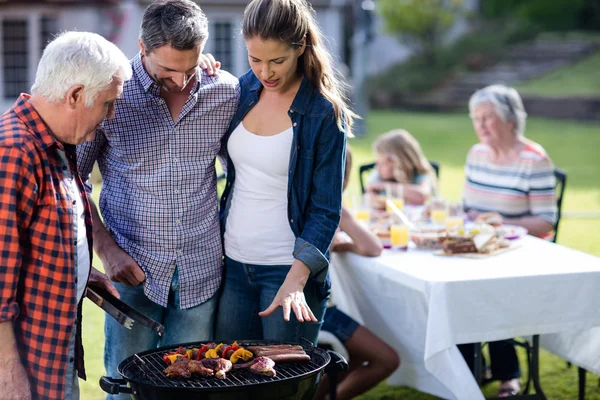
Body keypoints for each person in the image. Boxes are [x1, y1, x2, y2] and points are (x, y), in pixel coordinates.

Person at [76, 1, 239, 396]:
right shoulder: (112, 96)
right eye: (168, 70)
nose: (182, 81)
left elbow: (244, 171)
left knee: (192, 387)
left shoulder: (226, 92)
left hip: (200, 271)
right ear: (142, 48)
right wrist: (106, 249)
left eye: (191, 66)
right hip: (130, 272)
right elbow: (72, 181)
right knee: (127, 387)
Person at [215, 0, 355, 345]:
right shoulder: (241, 91)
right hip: (233, 265)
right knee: (227, 380)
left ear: (300, 47)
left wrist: (297, 279)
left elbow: (326, 210)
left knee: (282, 385)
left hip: (288, 270)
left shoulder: (323, 113)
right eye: (255, 59)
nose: (265, 72)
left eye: (277, 60)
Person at [0, 31, 129, 400]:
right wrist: (6, 370)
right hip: (24, 365)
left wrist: (79, 272)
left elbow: (35, 239)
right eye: (107, 103)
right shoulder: (13, 151)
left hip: (54, 352)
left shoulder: (56, 143)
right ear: (75, 95)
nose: (110, 116)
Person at [459, 84, 558, 397]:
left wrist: (503, 223)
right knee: (453, 287)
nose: (481, 125)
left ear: (511, 120)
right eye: (477, 118)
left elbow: (545, 221)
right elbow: (467, 208)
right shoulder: (476, 154)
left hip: (520, 255)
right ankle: (469, 369)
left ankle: (508, 377)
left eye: (488, 118)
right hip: (480, 251)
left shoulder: (534, 159)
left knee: (485, 290)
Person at [316, 145, 400, 400]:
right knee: (387, 359)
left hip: (311, 303)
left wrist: (343, 244)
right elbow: (374, 248)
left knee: (354, 359)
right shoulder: (331, 203)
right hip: (320, 310)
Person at [366, 129, 437, 208]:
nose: (377, 167)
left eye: (382, 163)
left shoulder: (421, 174)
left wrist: (384, 186)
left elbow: (421, 196)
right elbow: (369, 198)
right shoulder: (378, 176)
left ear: (399, 163)